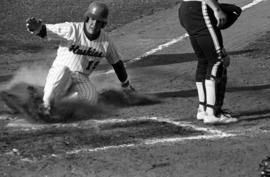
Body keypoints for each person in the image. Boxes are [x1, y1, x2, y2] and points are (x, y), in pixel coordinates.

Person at [26, 1, 135, 118]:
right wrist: (37, 28)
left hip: (81, 78)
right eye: (92, 19)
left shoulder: (106, 42)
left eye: (98, 21)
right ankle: (45, 105)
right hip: (62, 72)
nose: (94, 23)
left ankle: (62, 105)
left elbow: (117, 63)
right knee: (62, 71)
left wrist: (126, 85)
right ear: (87, 18)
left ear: (103, 24)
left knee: (90, 101)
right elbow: (45, 31)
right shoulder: (72, 29)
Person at [178, 0, 238, 124]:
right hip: (200, 9)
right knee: (217, 60)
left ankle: (203, 109)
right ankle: (213, 113)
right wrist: (217, 9)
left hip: (186, 9)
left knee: (204, 60)